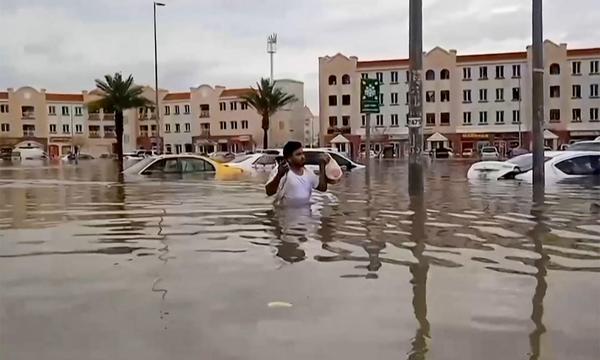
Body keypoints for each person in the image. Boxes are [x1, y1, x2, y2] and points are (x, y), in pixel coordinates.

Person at [265, 141, 330, 206]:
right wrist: (279, 175)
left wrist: (322, 165)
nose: (303, 157)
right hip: (285, 214)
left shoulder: (308, 172)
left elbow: (322, 188)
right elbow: (269, 192)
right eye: (298, 154)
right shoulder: (281, 170)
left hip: (305, 214)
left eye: (302, 153)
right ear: (289, 158)